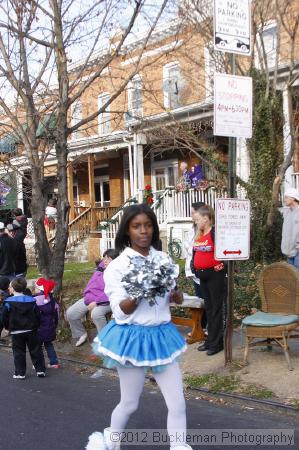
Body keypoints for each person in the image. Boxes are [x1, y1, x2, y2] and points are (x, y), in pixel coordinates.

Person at [86, 204, 192, 450]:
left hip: (162, 336)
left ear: (154, 228)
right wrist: (138, 294)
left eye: (148, 225)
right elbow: (120, 312)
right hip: (132, 338)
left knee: (177, 404)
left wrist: (176, 296)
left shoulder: (164, 259)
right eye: (137, 226)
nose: (143, 231)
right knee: (130, 403)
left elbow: (170, 297)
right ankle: (110, 442)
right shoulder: (117, 267)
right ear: (127, 231)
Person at [66, 249, 118, 347]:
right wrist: (89, 297)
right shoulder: (101, 268)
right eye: (104, 258)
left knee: (96, 313)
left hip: (108, 301)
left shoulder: (117, 274)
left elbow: (112, 293)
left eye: (108, 258)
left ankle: (105, 340)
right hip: (91, 298)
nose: (105, 260)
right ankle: (81, 333)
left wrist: (96, 302)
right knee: (71, 313)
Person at [191, 206, 225, 356]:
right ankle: (210, 340)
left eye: (197, 219)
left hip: (214, 276)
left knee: (216, 309)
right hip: (202, 276)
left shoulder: (215, 233)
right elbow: (194, 253)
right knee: (209, 309)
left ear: (206, 218)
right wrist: (194, 268)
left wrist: (222, 266)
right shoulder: (199, 234)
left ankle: (217, 343)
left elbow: (226, 250)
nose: (196, 222)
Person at [2, 277, 46, 379]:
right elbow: (37, 315)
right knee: (36, 350)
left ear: (12, 288)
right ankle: (40, 370)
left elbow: (4, 317)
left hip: (16, 332)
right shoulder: (32, 301)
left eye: (9, 286)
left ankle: (20, 373)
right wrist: (37, 326)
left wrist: (7, 327)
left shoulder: (8, 302)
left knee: (18, 352)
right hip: (31, 330)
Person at [34, 278, 60, 369]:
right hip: (50, 327)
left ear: (39, 289)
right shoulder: (53, 301)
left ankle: (38, 364)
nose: (34, 289)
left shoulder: (34, 300)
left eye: (36, 288)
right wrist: (55, 325)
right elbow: (57, 315)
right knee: (49, 345)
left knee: (38, 347)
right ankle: (54, 362)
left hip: (38, 329)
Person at [281, 188, 299, 269]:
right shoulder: (287, 212)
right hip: (289, 250)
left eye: (286, 197)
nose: (284, 200)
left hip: (298, 250)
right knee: (291, 277)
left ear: (293, 198)